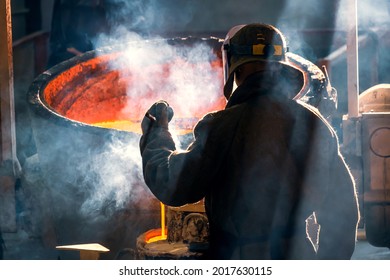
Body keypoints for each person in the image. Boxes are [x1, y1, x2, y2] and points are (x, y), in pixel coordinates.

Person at [139, 23, 359, 259]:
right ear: (280, 66)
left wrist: (156, 131)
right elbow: (343, 212)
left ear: (236, 70)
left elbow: (173, 184)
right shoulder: (313, 123)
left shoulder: (221, 126)